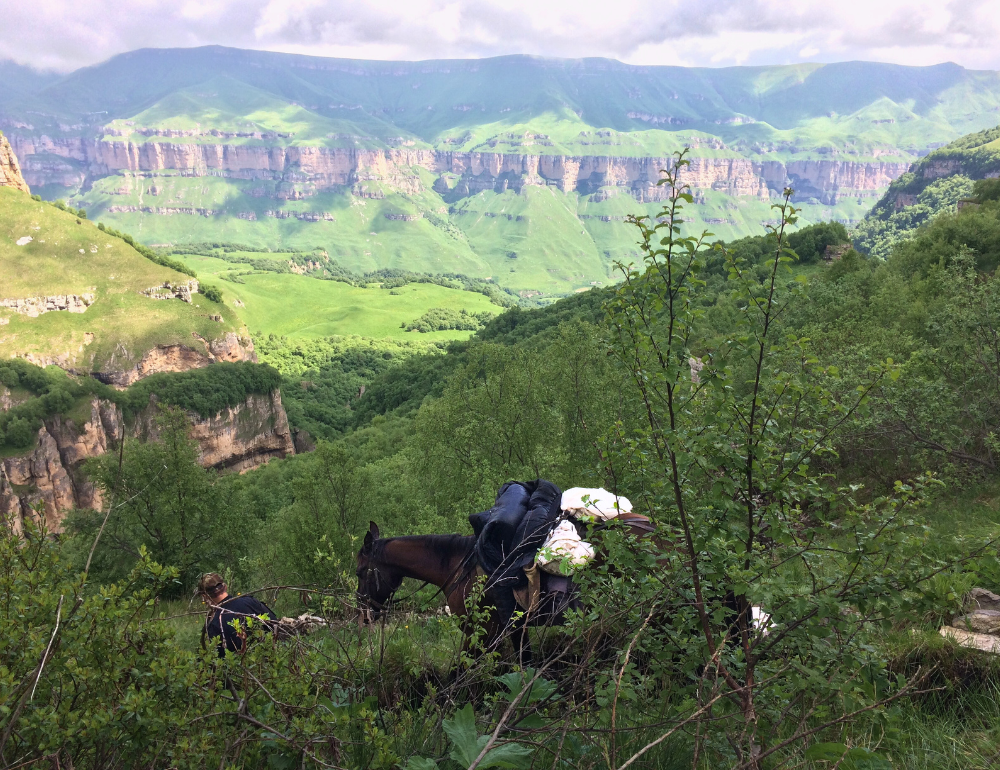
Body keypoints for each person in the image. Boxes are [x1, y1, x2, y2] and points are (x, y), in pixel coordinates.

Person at [197, 573, 278, 657]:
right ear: (225, 587)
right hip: (267, 661)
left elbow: (219, 659)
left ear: (205, 596)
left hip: (238, 666)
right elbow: (275, 625)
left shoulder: (214, 623)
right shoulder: (250, 602)